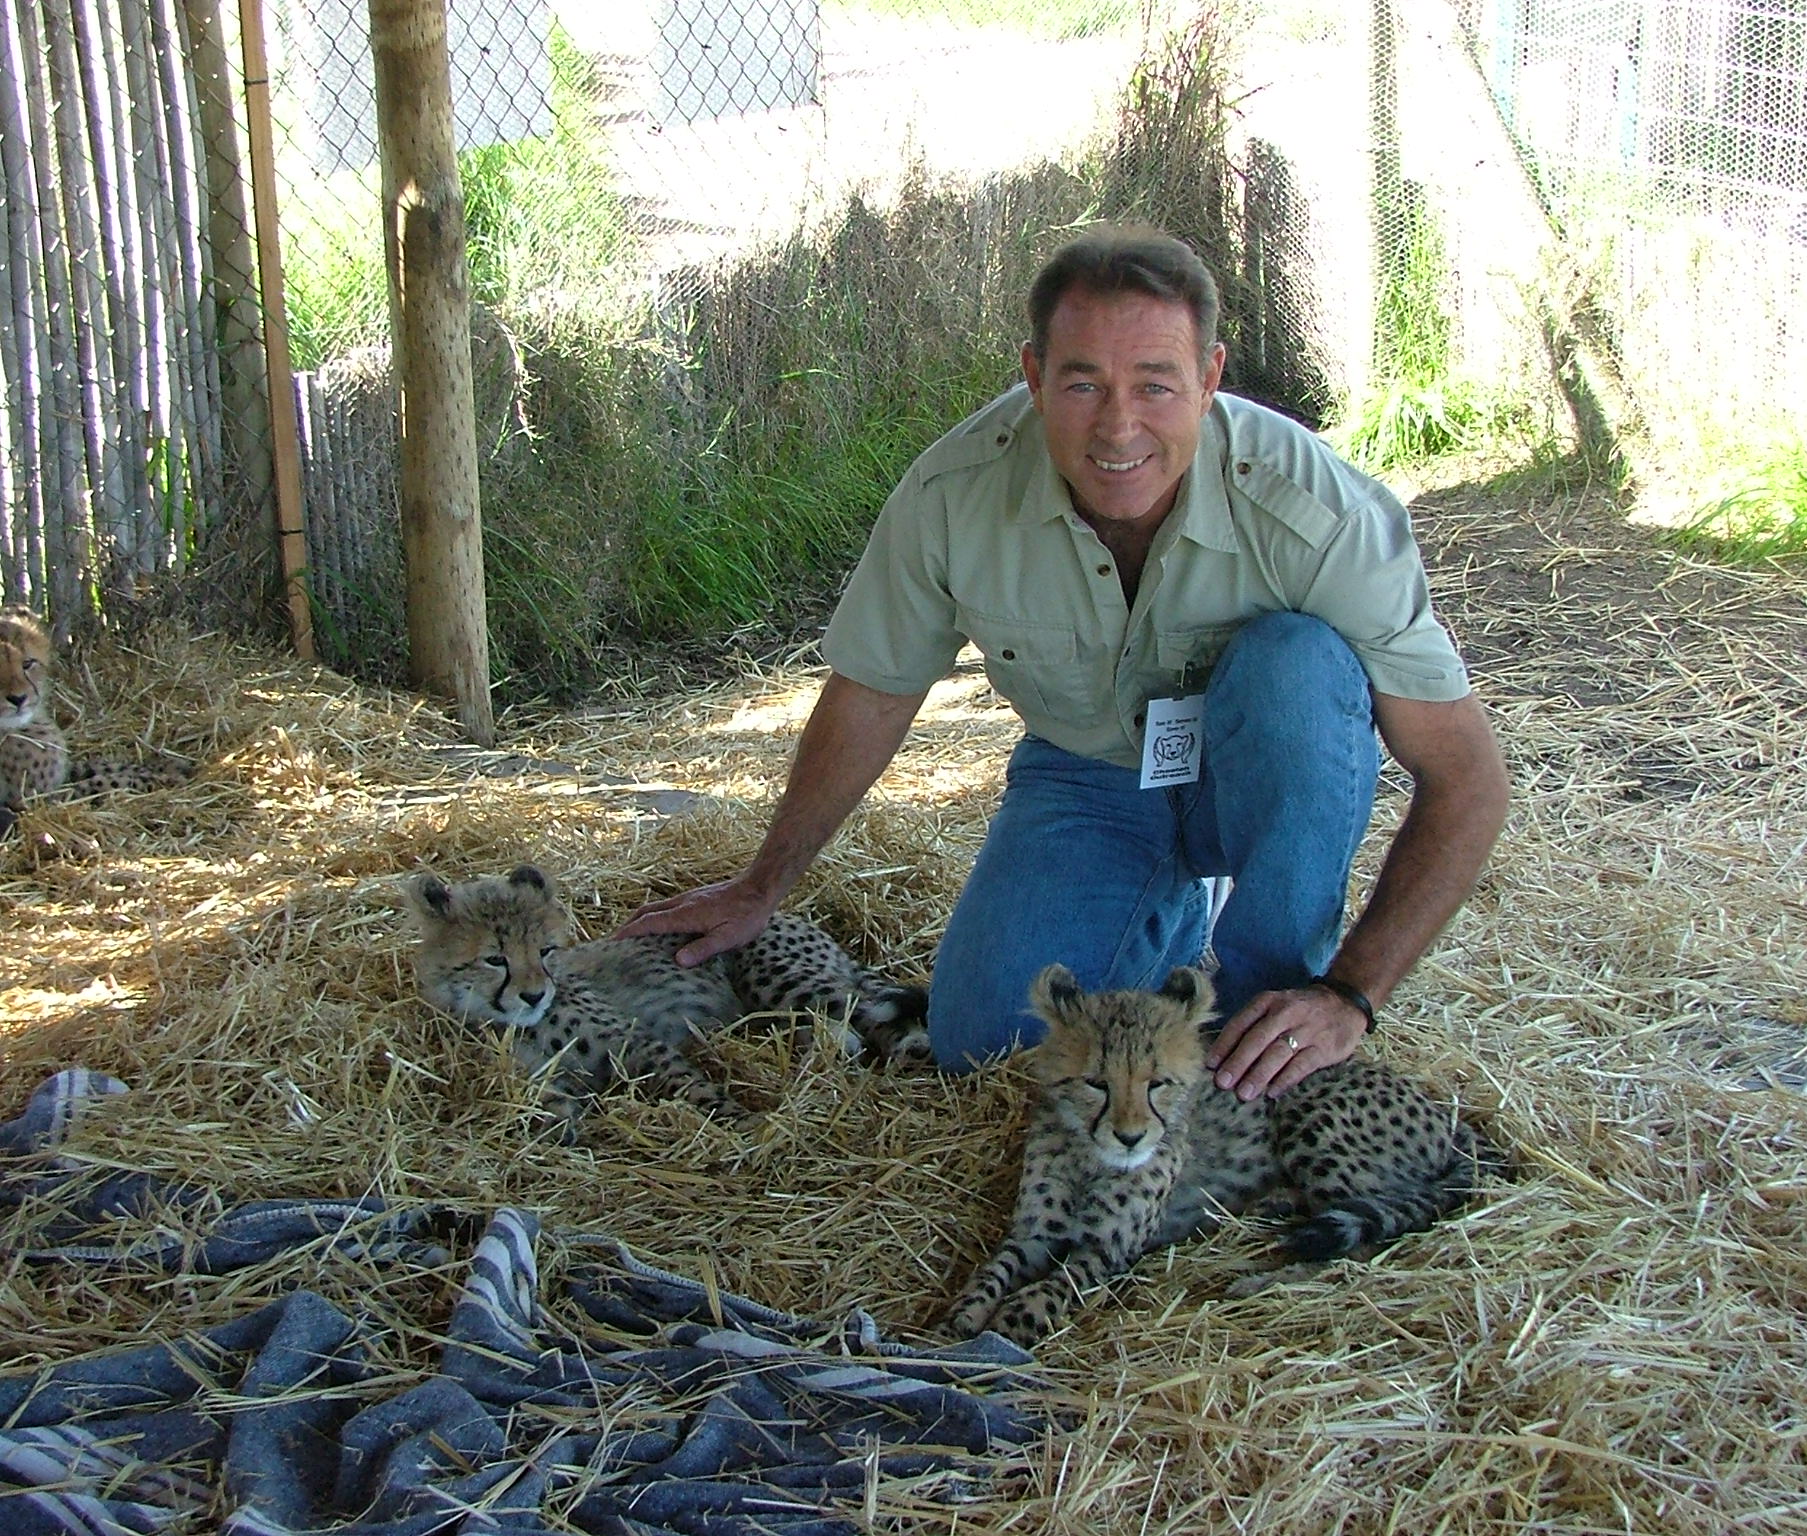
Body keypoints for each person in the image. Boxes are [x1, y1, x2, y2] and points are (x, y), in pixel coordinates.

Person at [621, 224, 1509, 1100]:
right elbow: (872, 694)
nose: (1118, 427)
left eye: (1156, 386)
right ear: (1034, 377)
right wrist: (762, 884)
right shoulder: (953, 495)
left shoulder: (1319, 510)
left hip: (1260, 765)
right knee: (986, 1045)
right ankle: (1165, 911)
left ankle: (1268, 1011)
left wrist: (1352, 993)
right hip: (1091, 777)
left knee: (1298, 667)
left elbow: (1468, 775)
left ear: (1210, 381)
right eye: (1083, 383)